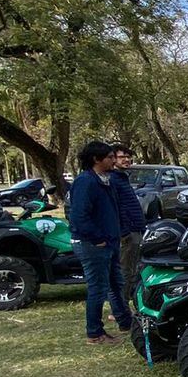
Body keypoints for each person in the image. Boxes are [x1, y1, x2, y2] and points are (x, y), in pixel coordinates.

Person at [70, 140, 131, 345]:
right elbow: (79, 217)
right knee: (98, 288)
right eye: (110, 157)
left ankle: (126, 322)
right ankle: (95, 334)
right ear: (97, 159)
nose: (114, 161)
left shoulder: (105, 180)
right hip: (92, 245)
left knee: (116, 283)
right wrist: (98, 239)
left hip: (110, 242)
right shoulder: (86, 181)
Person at [109, 145, 146, 309]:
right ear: (113, 159)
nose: (126, 160)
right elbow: (115, 208)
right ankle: (119, 308)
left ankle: (125, 304)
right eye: (122, 157)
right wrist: (124, 232)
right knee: (125, 270)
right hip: (126, 233)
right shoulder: (113, 180)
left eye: (128, 156)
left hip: (135, 229)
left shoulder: (122, 178)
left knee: (132, 269)